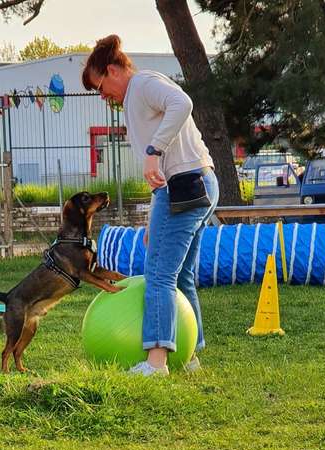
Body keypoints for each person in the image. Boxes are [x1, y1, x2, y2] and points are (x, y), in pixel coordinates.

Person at [82, 35, 219, 376]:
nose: (102, 96)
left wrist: (154, 150)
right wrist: (153, 221)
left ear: (112, 70)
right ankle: (190, 356)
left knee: (159, 275)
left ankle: (157, 362)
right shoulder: (135, 97)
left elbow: (182, 103)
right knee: (181, 274)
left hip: (186, 185)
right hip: (197, 182)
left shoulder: (143, 84)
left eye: (100, 87)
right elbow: (160, 175)